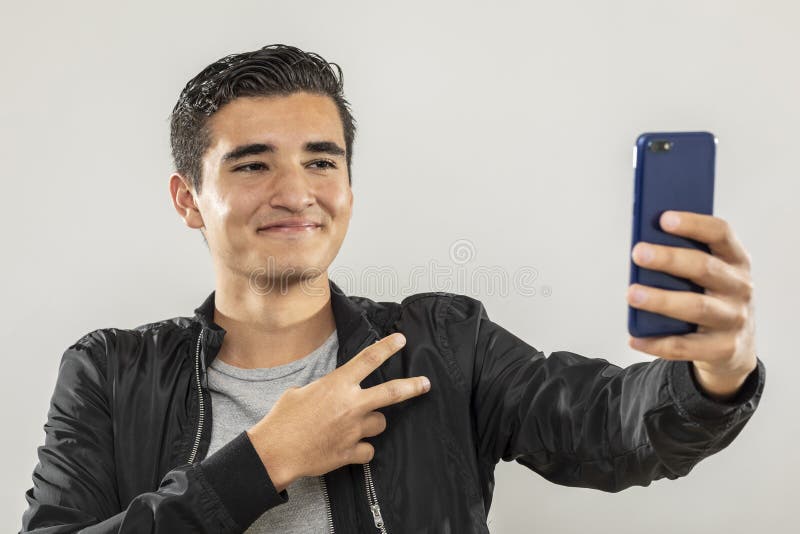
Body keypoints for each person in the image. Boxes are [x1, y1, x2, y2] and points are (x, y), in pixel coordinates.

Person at [20, 44, 765, 534]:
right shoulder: (111, 372)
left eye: (321, 162)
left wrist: (715, 374)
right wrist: (265, 460)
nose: (296, 192)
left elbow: (608, 427)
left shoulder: (443, 344)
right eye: (253, 165)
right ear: (188, 199)